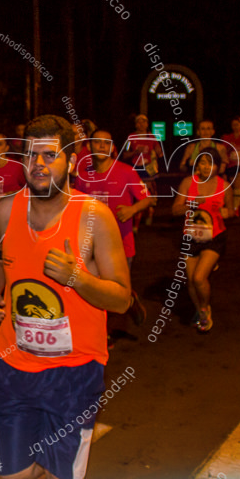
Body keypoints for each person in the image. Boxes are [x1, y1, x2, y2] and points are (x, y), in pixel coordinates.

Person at [0, 115, 131, 479]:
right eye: (32, 155)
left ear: (71, 161)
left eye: (50, 155)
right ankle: (57, 474)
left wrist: (78, 277)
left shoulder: (94, 217)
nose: (39, 165)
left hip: (73, 370)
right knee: (8, 473)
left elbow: (121, 300)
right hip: (14, 365)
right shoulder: (5, 211)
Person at [73, 129, 152, 341]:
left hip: (121, 244)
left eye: (106, 143)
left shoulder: (127, 172)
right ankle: (102, 334)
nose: (101, 146)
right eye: (97, 142)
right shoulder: (83, 176)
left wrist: (132, 211)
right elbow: (75, 204)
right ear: (89, 146)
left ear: (112, 148)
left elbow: (147, 199)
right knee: (95, 290)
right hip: (90, 244)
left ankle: (129, 300)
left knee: (115, 292)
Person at [171, 148, 232, 333]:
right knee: (190, 281)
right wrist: (191, 204)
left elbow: (232, 210)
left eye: (210, 163)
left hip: (214, 237)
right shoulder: (188, 183)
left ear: (217, 166)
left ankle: (205, 308)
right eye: (202, 162)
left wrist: (227, 212)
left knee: (199, 278)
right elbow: (175, 210)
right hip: (190, 236)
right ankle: (199, 311)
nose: (206, 167)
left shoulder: (224, 185)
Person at [120, 114, 164, 227]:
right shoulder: (131, 137)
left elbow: (160, 153)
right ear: (135, 124)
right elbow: (125, 154)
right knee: (136, 194)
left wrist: (156, 153)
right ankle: (136, 222)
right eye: (138, 121)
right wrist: (135, 152)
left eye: (143, 121)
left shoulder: (152, 137)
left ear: (147, 124)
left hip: (149, 169)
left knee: (149, 193)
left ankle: (149, 214)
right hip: (136, 169)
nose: (141, 124)